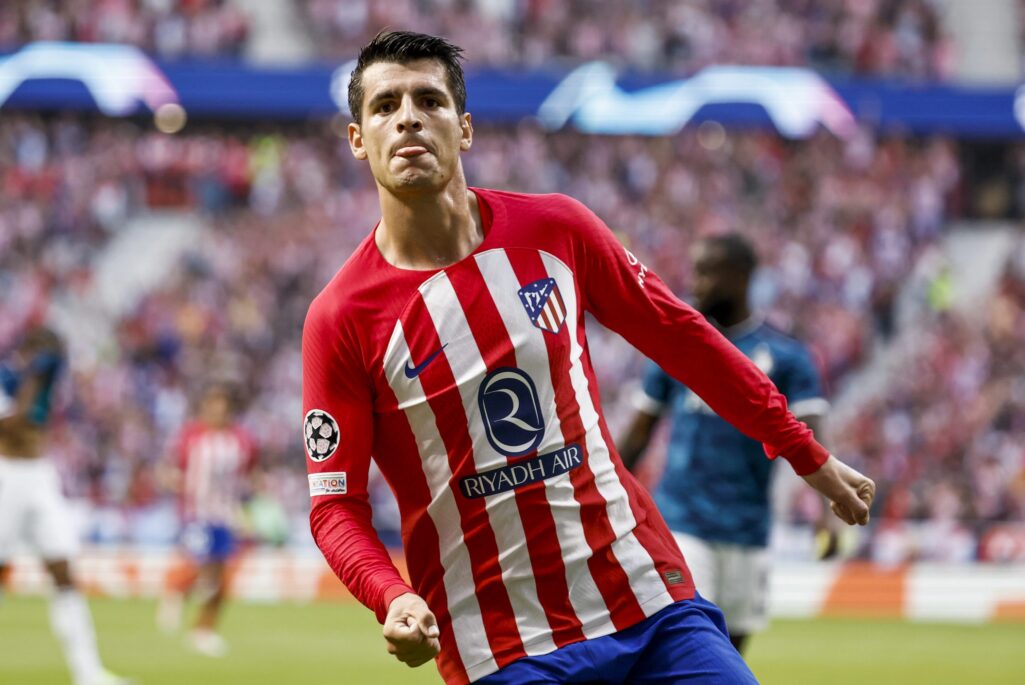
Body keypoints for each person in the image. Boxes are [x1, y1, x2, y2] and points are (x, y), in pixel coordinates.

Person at [302, 30, 875, 685]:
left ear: (463, 130)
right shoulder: (340, 317)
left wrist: (806, 453)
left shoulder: (557, 230)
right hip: (500, 646)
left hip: (647, 601)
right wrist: (392, 594)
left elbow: (680, 337)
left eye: (428, 100)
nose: (407, 116)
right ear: (357, 139)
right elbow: (334, 505)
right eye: (384, 106)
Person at [618, 234, 832, 655]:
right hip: (682, 522)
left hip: (747, 528)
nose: (696, 282)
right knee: (695, 643)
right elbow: (641, 431)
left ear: (741, 278)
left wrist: (826, 513)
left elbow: (813, 439)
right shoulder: (677, 341)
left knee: (731, 655)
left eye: (707, 271)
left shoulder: (787, 357)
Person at [0, 326, 132, 685]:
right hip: (7, 476)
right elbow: (13, 426)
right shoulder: (8, 379)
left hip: (40, 476)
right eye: (43, 351)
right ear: (27, 351)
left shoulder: (42, 386)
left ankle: (88, 673)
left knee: (63, 571)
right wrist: (30, 385)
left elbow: (35, 423)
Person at [156, 383, 256, 657]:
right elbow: (168, 469)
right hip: (196, 514)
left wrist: (247, 509)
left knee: (221, 576)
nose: (217, 412)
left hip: (226, 515)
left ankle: (203, 630)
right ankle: (174, 590)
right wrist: (172, 481)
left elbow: (248, 476)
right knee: (199, 565)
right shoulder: (190, 437)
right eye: (212, 406)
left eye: (222, 407)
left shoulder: (242, 440)